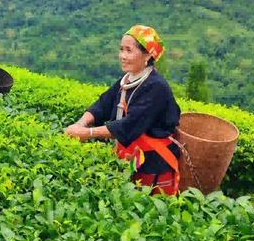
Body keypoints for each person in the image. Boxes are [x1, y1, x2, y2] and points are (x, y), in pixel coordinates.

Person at [65, 25, 181, 195]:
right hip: (129, 158)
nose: (122, 56)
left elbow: (128, 126)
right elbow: (103, 104)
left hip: (152, 164)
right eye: (121, 50)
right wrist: (80, 123)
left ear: (147, 55)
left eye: (129, 50)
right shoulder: (127, 79)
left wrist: (86, 133)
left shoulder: (156, 87)